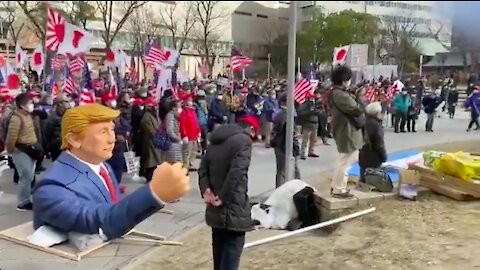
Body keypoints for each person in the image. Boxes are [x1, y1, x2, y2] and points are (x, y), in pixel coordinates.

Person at [33, 103, 190, 240]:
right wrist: (154, 192)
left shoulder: (102, 166)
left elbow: (113, 207)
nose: (112, 139)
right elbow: (98, 221)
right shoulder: (52, 188)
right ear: (74, 139)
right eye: (102, 132)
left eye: (112, 130)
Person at [198, 121, 254, 270]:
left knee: (219, 254)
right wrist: (223, 196)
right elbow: (237, 172)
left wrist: (206, 190)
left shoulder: (214, 142)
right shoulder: (243, 141)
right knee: (230, 256)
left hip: (215, 208)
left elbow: (203, 169)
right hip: (232, 205)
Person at [329, 65, 364, 198]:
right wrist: (359, 98)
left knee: (344, 160)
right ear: (344, 80)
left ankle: (338, 186)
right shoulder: (339, 94)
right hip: (346, 130)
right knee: (346, 161)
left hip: (345, 129)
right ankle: (339, 188)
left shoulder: (336, 92)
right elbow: (356, 109)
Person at [5, 93, 39, 211]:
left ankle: (27, 198)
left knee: (30, 176)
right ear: (22, 106)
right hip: (21, 151)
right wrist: (11, 150)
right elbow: (11, 137)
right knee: (26, 176)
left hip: (31, 149)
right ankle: (23, 202)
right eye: (29, 103)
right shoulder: (16, 118)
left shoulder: (29, 116)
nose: (31, 105)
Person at [271, 94, 301, 188]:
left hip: (281, 143)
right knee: (284, 170)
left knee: (284, 169)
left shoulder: (282, 113)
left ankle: (297, 186)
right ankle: (286, 189)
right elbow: (286, 130)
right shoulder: (284, 114)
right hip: (283, 144)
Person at [359, 102, 387, 182]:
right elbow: (379, 144)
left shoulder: (363, 122)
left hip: (363, 154)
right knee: (373, 179)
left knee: (363, 177)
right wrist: (384, 156)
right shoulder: (376, 125)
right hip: (374, 157)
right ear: (377, 113)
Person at [139, 97, 162, 182]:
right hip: (149, 142)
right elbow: (150, 130)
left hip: (155, 141)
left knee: (154, 161)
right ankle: (149, 178)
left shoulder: (154, 115)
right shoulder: (146, 116)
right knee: (151, 161)